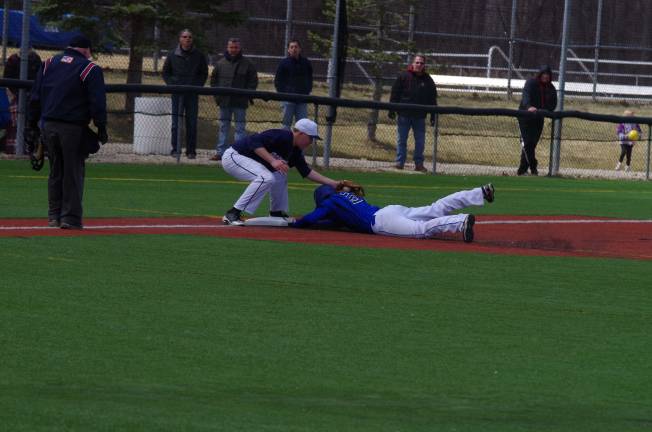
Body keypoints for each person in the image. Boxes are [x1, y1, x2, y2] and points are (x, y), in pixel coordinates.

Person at [29, 35, 108, 229]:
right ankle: (70, 218)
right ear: (86, 50)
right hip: (72, 127)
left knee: (55, 170)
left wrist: (31, 124)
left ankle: (53, 216)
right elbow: (97, 102)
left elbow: (35, 96)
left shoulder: (48, 63)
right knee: (72, 172)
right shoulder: (90, 68)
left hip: (48, 125)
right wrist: (101, 126)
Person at [221, 118, 343, 225]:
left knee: (279, 175)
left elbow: (306, 172)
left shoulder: (295, 151)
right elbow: (253, 141)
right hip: (234, 157)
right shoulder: (282, 136)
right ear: (300, 134)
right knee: (266, 177)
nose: (311, 142)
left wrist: (332, 183)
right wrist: (272, 161)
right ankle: (233, 213)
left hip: (247, 161)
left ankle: (276, 212)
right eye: (310, 138)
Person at [291, 183, 495, 243]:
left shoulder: (329, 204)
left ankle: (460, 222)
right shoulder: (343, 198)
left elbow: (311, 219)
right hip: (391, 209)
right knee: (435, 208)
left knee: (420, 231)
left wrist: (295, 224)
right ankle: (479, 192)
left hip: (381, 222)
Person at [161, 29, 208, 159]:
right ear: (180, 39)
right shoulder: (172, 55)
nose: (187, 39)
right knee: (176, 123)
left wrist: (196, 86)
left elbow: (203, 73)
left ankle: (191, 151)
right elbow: (165, 73)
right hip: (177, 94)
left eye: (190, 37)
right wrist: (173, 85)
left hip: (192, 94)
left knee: (192, 123)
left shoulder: (199, 55)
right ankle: (175, 149)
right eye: (185, 37)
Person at [210, 38, 258, 161]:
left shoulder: (248, 64)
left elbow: (253, 82)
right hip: (224, 102)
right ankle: (221, 152)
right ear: (227, 48)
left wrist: (247, 96)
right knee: (223, 127)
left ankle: (239, 153)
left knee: (240, 128)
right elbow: (213, 81)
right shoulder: (220, 64)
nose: (233, 49)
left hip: (240, 103)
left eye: (236, 47)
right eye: (231, 47)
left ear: (239, 48)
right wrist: (218, 97)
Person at [388, 54, 438, 172]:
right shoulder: (403, 76)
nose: (419, 65)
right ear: (412, 63)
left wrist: (433, 115)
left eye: (421, 63)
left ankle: (419, 164)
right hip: (404, 115)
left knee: (420, 142)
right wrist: (391, 109)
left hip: (420, 117)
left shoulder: (428, 79)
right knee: (401, 140)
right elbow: (395, 94)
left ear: (424, 65)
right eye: (417, 62)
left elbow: (432, 98)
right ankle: (400, 162)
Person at [517, 65, 557, 176]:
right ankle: (533, 168)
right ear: (540, 74)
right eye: (544, 74)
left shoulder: (551, 88)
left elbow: (552, 104)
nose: (545, 77)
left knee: (532, 144)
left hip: (539, 118)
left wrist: (545, 110)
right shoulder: (531, 83)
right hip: (525, 117)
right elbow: (526, 96)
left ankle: (522, 170)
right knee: (527, 143)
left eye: (548, 75)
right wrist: (529, 106)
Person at [2, 47, 42, 154]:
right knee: (15, 119)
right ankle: (14, 147)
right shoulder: (13, 60)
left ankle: (31, 147)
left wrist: (32, 94)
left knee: (32, 119)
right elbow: (8, 80)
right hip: (15, 95)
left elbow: (38, 78)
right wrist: (15, 94)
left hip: (32, 96)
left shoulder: (35, 59)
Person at [274, 39, 313, 129]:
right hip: (288, 100)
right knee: (286, 125)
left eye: (296, 47)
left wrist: (307, 91)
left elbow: (310, 78)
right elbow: (278, 81)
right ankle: (285, 142)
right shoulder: (283, 63)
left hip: (302, 100)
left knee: (302, 125)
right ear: (288, 50)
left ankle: (298, 143)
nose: (294, 49)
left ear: (300, 49)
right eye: (291, 47)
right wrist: (284, 94)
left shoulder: (306, 63)